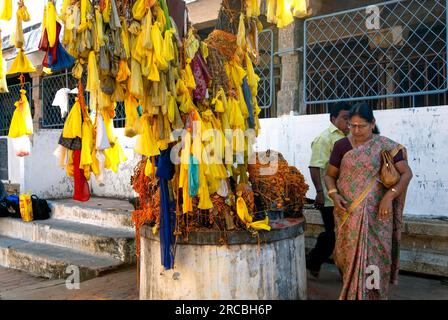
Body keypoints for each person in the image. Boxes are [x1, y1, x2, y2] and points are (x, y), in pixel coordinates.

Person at [324, 103, 413, 300]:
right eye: (352, 125)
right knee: (345, 258)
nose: (356, 131)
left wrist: (389, 196)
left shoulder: (386, 147)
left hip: (378, 216)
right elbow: (330, 175)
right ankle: (353, 292)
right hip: (348, 214)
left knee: (375, 258)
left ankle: (374, 296)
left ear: (372, 123)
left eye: (361, 126)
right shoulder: (341, 146)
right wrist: (333, 194)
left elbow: (406, 173)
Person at [306, 102, 351, 278]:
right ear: (333, 119)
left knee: (341, 234)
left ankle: (315, 260)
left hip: (347, 195)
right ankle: (314, 261)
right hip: (329, 196)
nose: (348, 122)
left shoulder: (351, 137)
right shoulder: (324, 139)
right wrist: (319, 192)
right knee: (334, 235)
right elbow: (315, 167)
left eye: (350, 117)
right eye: (344, 118)